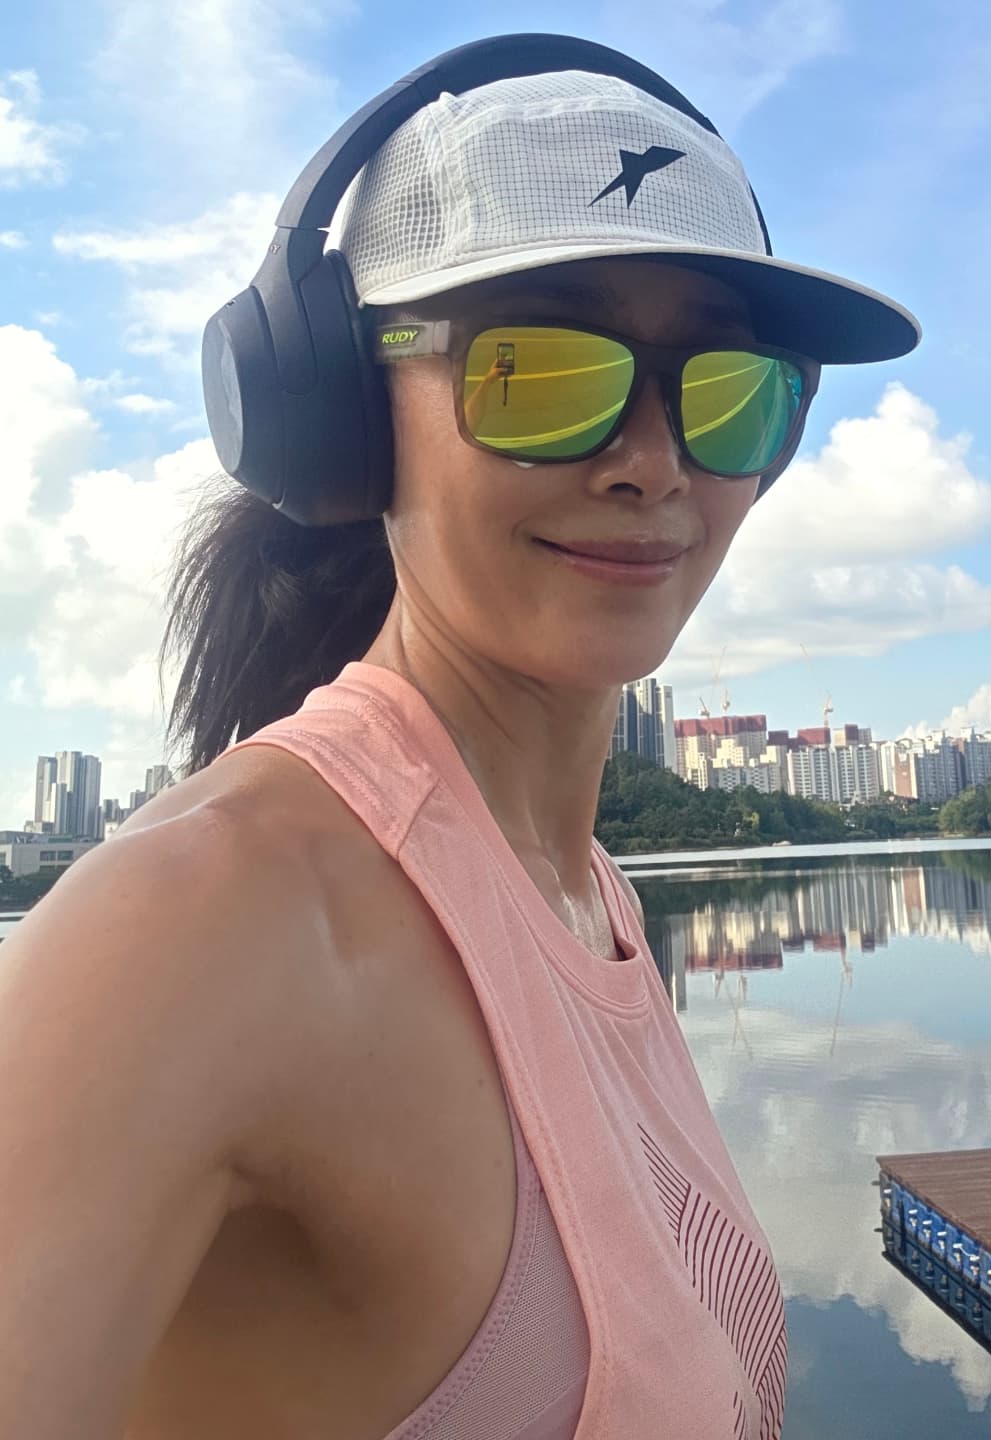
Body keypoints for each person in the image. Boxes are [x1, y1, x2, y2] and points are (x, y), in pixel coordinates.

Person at [0, 34, 918, 1440]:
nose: (653, 462)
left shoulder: (587, 896)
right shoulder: (199, 924)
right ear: (344, 420)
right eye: (540, 373)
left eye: (729, 389)